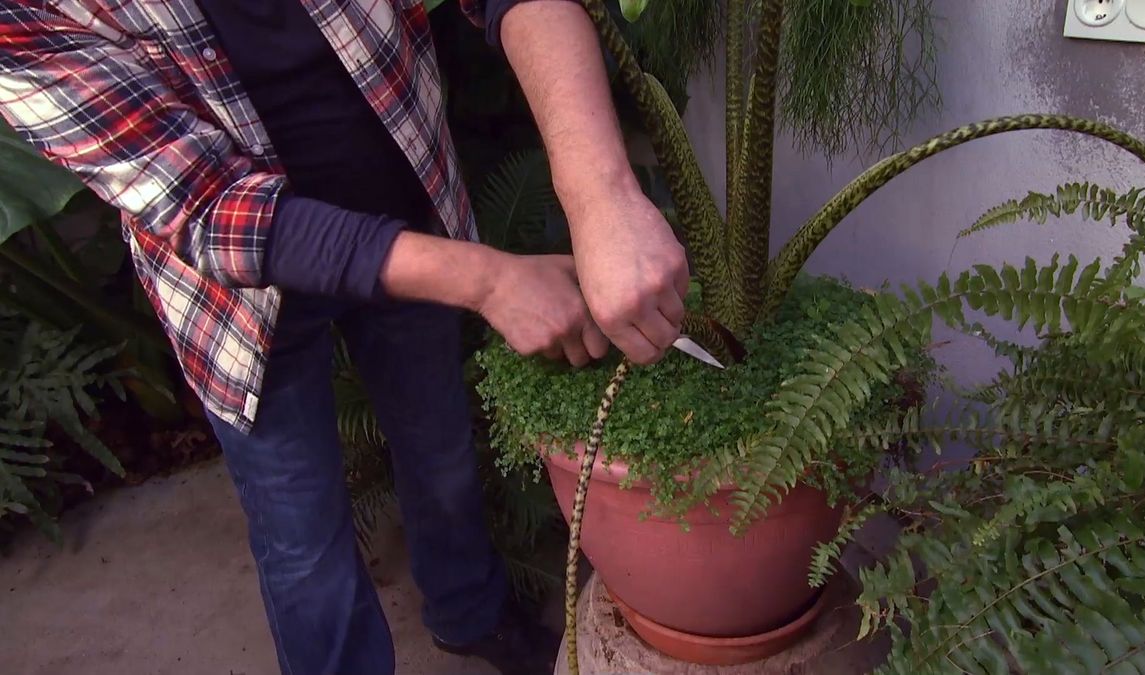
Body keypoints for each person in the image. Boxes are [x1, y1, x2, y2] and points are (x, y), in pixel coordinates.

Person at [0, 1, 689, 673]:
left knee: (441, 447)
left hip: (399, 205)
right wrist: (488, 279)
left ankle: (469, 611)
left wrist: (602, 196)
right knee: (303, 539)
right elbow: (210, 208)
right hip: (235, 297)